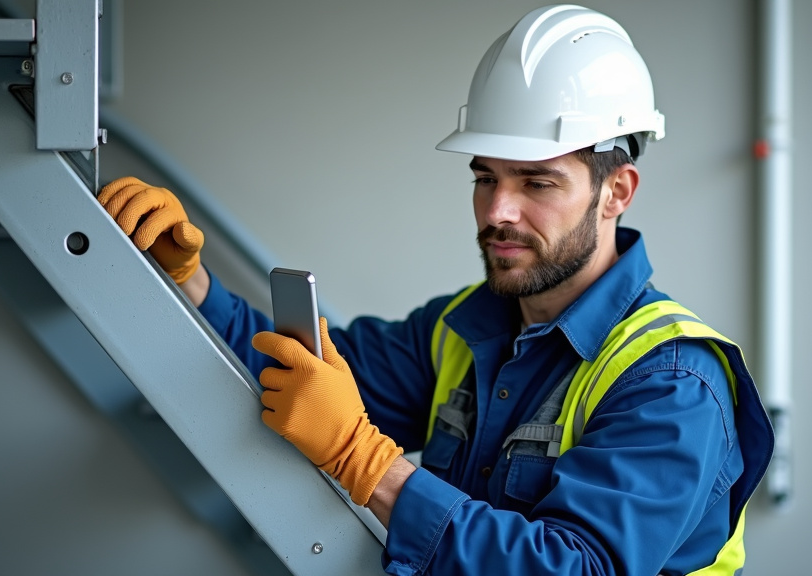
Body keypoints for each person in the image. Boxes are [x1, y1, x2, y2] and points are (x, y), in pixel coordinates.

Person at [98, 5, 774, 575]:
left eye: (536, 182)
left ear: (615, 192)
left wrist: (368, 464)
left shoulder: (674, 381)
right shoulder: (462, 328)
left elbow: (572, 567)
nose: (497, 211)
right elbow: (294, 382)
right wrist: (190, 283)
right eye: (486, 177)